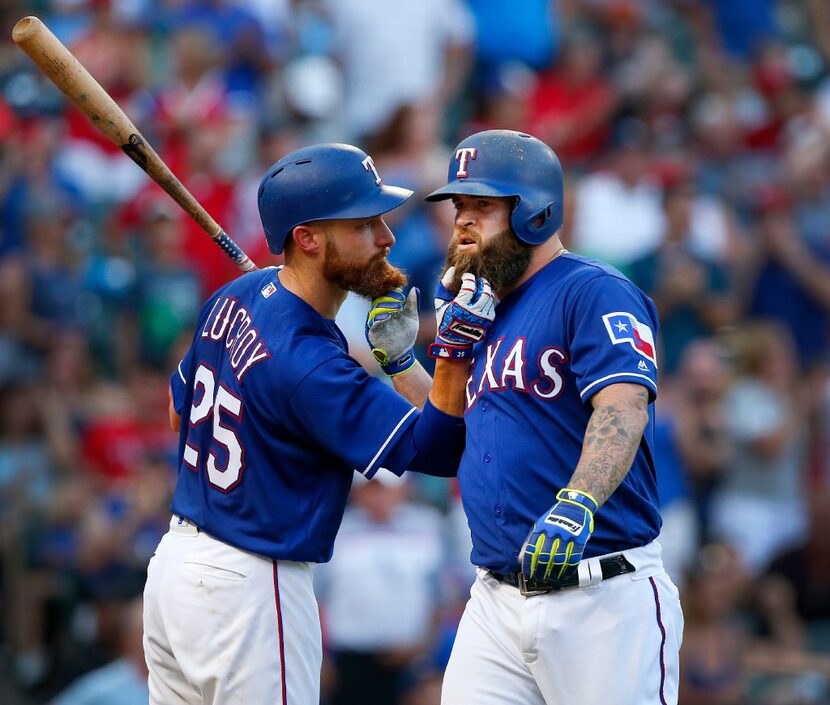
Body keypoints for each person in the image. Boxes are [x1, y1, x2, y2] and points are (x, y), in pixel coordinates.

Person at [142, 143, 496, 705]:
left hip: (175, 573)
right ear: (307, 238)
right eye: (364, 223)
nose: (387, 237)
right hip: (250, 587)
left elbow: (176, 406)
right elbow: (440, 451)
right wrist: (429, 361)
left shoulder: (235, 295)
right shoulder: (310, 364)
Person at [420, 130, 684, 705]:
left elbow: (623, 405)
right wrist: (420, 359)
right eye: (458, 206)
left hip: (602, 593)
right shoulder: (476, 309)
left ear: (535, 211)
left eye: (482, 206)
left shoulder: (594, 291)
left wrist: (577, 502)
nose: (462, 221)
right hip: (494, 598)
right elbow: (441, 440)